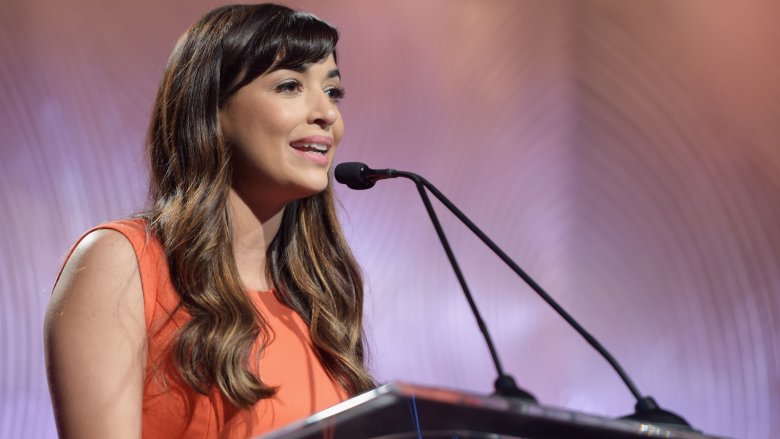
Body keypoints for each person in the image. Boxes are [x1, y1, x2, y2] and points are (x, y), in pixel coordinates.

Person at [44, 4, 374, 438]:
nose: (327, 114)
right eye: (290, 85)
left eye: (332, 92)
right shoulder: (121, 265)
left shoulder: (318, 298)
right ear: (211, 109)